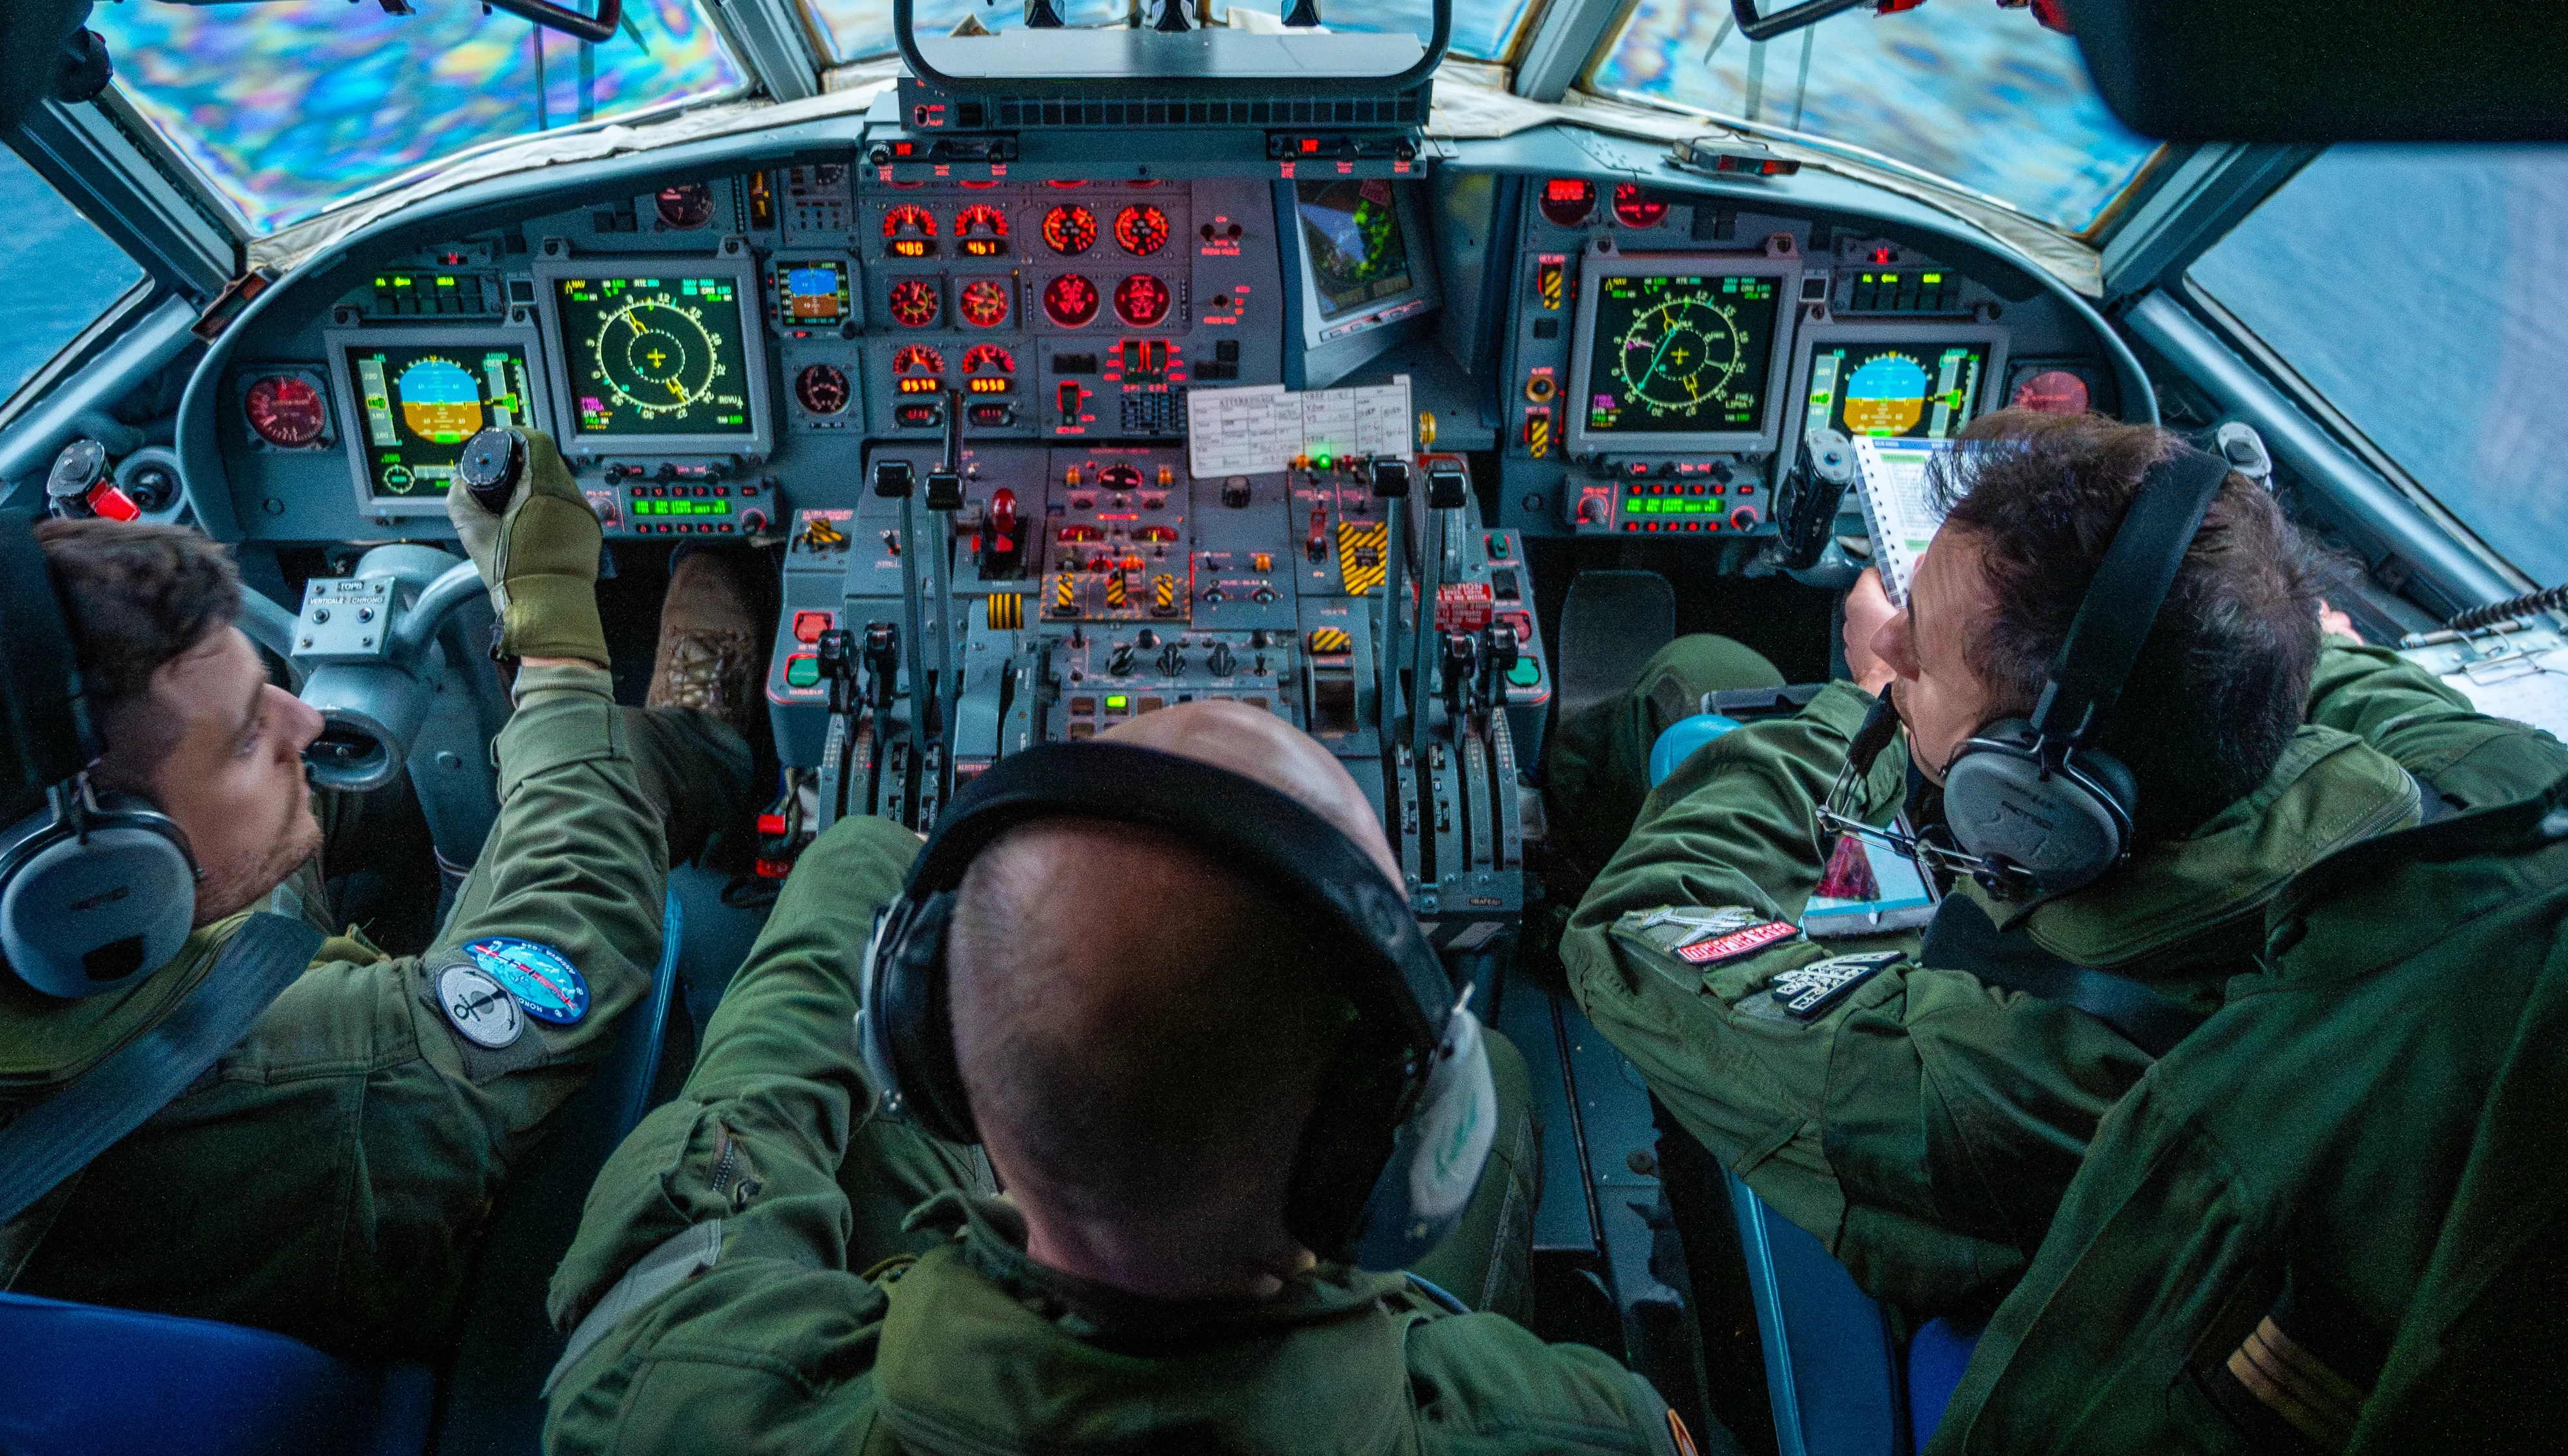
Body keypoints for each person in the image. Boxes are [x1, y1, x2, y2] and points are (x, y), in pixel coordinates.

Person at [1551, 411, 2568, 1324]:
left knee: (1705, 679)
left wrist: (1865, 696)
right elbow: (2291, 648)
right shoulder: (2502, 790)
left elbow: (1646, 919)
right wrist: (1961, 662)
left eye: (1921, 645)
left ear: (2031, 804)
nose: (1892, 633)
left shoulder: (1979, 1086)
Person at [0, 429, 762, 1358]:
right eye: (250, 735)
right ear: (104, 884)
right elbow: (569, 920)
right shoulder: (331, 1093)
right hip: (412, 1288)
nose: (307, 717)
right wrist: (557, 651)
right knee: (615, 762)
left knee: (355, 790)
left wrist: (242, 750)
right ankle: (706, 738)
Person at [544, 700, 1686, 1455]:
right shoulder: (1586, 1430)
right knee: (1499, 1054)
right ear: (1397, 1134)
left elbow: (698, 1191)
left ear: (917, 1045)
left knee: (854, 856)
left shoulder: (670, 1393)